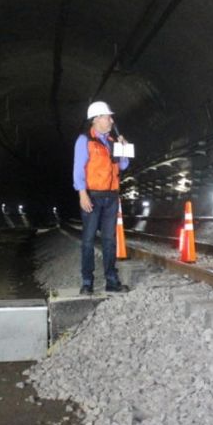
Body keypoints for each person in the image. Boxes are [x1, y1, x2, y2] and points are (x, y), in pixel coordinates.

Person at [73, 101, 130, 295]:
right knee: (88, 240)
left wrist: (124, 149)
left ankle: (111, 281)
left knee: (109, 240)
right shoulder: (84, 140)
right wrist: (82, 193)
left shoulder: (113, 142)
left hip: (111, 197)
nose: (111, 120)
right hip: (93, 196)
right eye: (108, 117)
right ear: (96, 119)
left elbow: (122, 167)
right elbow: (78, 168)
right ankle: (87, 282)